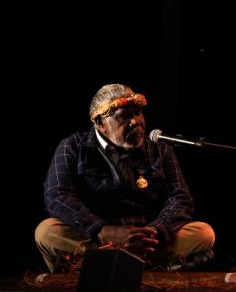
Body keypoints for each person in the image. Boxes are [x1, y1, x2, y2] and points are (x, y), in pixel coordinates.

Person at [35, 84, 215, 272]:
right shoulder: (73, 146)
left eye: (138, 113)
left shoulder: (161, 150)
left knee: (203, 233)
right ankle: (144, 266)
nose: (136, 121)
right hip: (98, 239)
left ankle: (107, 265)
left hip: (148, 240)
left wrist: (156, 231)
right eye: (125, 116)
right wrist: (102, 231)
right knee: (47, 232)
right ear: (100, 123)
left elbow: (180, 198)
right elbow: (57, 196)